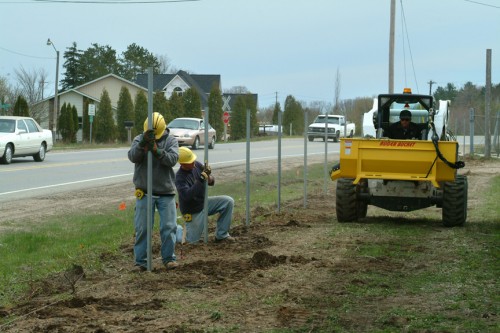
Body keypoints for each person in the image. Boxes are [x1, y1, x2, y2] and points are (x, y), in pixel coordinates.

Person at [128, 112, 179, 271]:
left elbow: (172, 159)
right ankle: (141, 262)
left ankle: (169, 259)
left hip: (165, 192)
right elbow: (132, 157)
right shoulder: (139, 139)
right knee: (142, 228)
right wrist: (142, 145)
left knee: (169, 227)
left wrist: (157, 151)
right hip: (145, 192)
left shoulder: (171, 141)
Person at [175, 147, 235, 244]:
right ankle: (176, 230)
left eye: (193, 160)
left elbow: (210, 180)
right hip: (193, 210)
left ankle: (221, 235)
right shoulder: (180, 177)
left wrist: (209, 178)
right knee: (191, 241)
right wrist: (201, 179)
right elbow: (187, 196)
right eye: (190, 162)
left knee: (228, 201)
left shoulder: (197, 165)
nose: (193, 163)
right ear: (182, 164)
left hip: (204, 203)